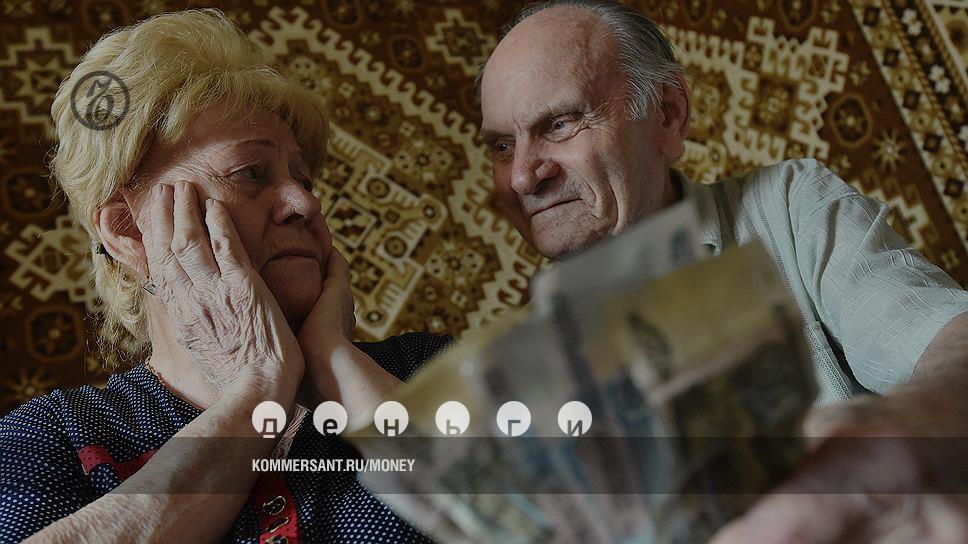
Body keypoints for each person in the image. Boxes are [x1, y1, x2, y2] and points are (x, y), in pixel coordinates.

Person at [477, 1, 968, 542]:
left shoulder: (788, 208)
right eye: (502, 145)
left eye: (560, 124)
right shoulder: (519, 376)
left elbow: (951, 340)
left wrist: (901, 427)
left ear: (668, 114)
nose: (522, 176)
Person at [0, 9, 450, 543]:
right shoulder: (50, 437)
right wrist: (257, 387)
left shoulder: (429, 369)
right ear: (129, 230)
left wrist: (336, 365)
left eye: (304, 179)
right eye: (250, 173)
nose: (305, 202)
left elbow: (535, 514)